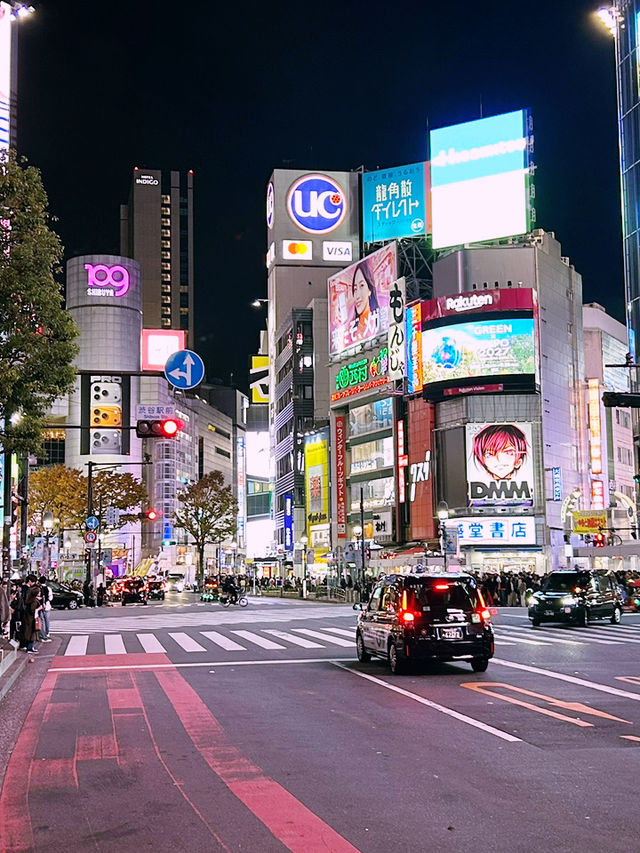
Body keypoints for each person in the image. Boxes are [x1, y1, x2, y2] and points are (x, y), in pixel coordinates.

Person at [350, 262, 379, 342]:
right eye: (355, 289)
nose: (357, 295)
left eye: (362, 285)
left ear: (370, 289)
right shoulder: (352, 329)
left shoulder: (376, 324)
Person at [21, 574, 41, 654]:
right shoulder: (32, 597)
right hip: (30, 615)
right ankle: (30, 647)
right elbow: (33, 608)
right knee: (31, 630)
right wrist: (37, 609)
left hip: (27, 614)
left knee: (28, 630)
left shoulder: (27, 591)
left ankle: (29, 647)